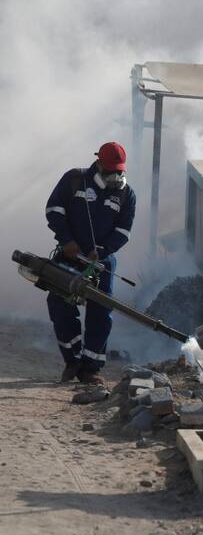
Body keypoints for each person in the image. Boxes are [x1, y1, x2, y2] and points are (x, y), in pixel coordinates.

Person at [45, 142, 136, 384]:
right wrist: (67, 240)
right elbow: (54, 210)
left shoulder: (127, 195)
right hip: (69, 255)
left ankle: (91, 369)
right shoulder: (74, 180)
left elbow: (123, 231)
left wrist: (103, 250)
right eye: (110, 171)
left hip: (101, 263)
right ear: (99, 164)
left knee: (100, 313)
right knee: (59, 305)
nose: (115, 176)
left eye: (119, 171)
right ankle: (72, 360)